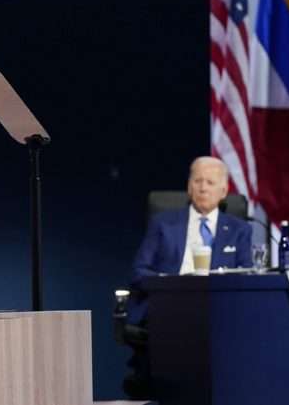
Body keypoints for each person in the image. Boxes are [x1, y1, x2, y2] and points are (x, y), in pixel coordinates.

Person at [121, 156, 252, 399]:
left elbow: (246, 275)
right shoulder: (163, 223)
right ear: (189, 186)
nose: (203, 187)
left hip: (219, 310)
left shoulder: (239, 229)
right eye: (198, 180)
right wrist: (171, 286)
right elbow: (139, 272)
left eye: (210, 182)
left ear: (224, 191)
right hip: (168, 307)